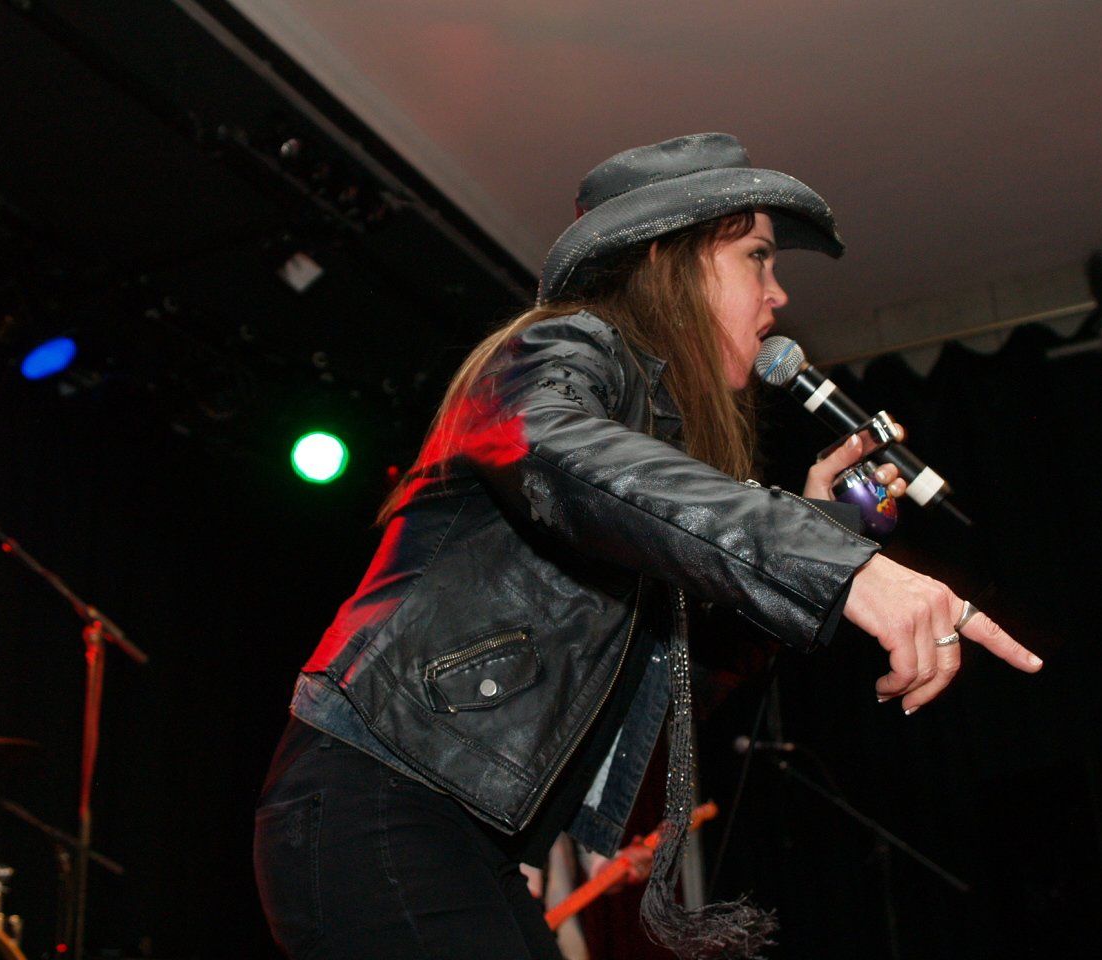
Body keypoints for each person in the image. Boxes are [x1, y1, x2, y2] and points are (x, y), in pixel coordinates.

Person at [252, 132, 1042, 960]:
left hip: (457, 829)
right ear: (672, 260)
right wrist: (841, 569)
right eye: (757, 256)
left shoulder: (652, 467)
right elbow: (554, 449)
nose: (777, 293)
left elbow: (677, 681)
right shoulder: (562, 348)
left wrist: (824, 526)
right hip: (384, 794)